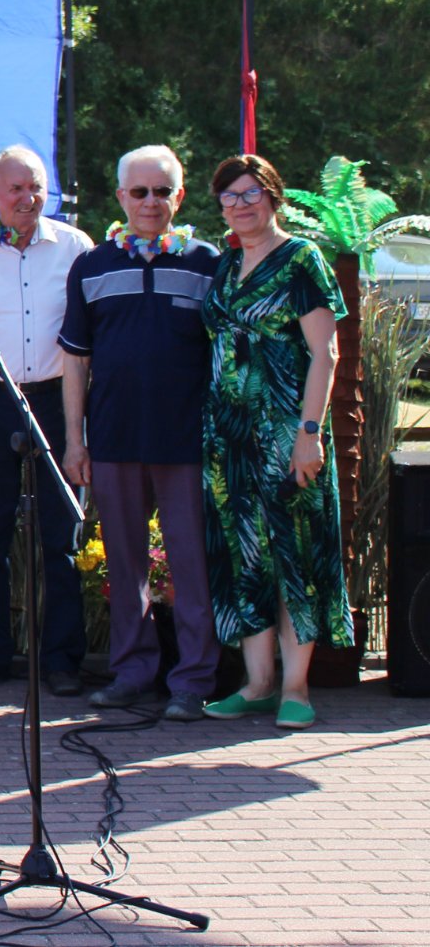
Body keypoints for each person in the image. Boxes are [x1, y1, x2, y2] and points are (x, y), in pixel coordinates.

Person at [59, 146, 221, 722]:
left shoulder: (209, 263)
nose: (151, 202)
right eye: (139, 192)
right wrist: (76, 441)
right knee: (126, 565)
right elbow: (75, 361)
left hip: (186, 443)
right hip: (114, 439)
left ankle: (194, 679)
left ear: (179, 196)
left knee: (190, 563)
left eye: (162, 191)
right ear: (121, 196)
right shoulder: (93, 266)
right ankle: (132, 671)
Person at [198, 153, 350, 730]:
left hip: (287, 434)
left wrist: (310, 434)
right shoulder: (227, 261)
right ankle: (257, 682)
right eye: (230, 196)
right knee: (242, 556)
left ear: (273, 196)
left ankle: (295, 686)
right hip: (227, 439)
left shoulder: (300, 259)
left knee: (294, 555)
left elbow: (325, 353)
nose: (241, 204)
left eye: (251, 193)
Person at [0, 145, 95, 695]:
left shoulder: (75, 247)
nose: (27, 198)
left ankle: (61, 659)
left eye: (35, 187)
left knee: (60, 533)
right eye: (15, 189)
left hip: (57, 397)